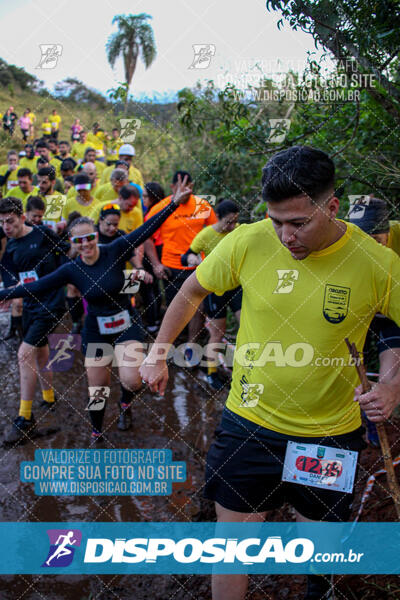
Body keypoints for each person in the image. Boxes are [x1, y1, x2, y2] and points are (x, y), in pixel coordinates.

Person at [140, 147, 400, 600]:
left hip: (328, 436)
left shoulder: (377, 264)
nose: (285, 235)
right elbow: (192, 289)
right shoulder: (248, 241)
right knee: (231, 547)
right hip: (249, 424)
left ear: (332, 206)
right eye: (275, 220)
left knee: (321, 550)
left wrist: (394, 384)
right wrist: (157, 352)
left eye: (298, 223)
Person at [0, 177, 193, 442]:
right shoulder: (72, 269)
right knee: (97, 389)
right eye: (79, 241)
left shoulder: (114, 249)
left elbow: (147, 229)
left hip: (126, 323)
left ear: (95, 236)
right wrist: (4, 293)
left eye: (90, 238)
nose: (86, 244)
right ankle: (96, 431)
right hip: (96, 329)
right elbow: (38, 286)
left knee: (132, 381)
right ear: (73, 243)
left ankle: (125, 403)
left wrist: (173, 203)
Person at [0, 197, 70, 445]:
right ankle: (49, 397)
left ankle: (24, 417)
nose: (6, 226)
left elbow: (66, 255)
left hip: (51, 304)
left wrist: (65, 282)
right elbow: (10, 277)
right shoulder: (10, 246)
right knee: (41, 352)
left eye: (10, 221)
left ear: (22, 217)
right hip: (30, 306)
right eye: (2, 222)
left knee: (23, 354)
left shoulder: (43, 234)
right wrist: (10, 292)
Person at [145, 170, 217, 352]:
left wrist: (211, 260)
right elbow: (147, 237)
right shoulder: (161, 207)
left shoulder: (202, 205)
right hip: (171, 266)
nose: (185, 190)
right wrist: (156, 264)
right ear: (172, 187)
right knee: (175, 307)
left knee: (198, 307)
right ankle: (175, 341)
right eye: (180, 186)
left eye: (189, 186)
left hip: (196, 266)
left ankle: (191, 345)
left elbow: (217, 232)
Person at [348, 196, 400, 446]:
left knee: (390, 369)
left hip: (391, 312)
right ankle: (359, 422)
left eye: (377, 242)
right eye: (362, 244)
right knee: (350, 365)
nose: (369, 251)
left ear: (388, 233)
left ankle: (379, 413)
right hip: (358, 308)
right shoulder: (339, 241)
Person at [181, 199, 241, 389]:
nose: (232, 226)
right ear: (219, 218)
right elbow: (186, 255)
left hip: (236, 286)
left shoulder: (238, 230)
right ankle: (211, 372)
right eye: (228, 222)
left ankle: (242, 368)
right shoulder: (206, 235)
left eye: (235, 221)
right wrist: (192, 258)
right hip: (216, 289)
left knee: (247, 324)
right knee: (217, 332)